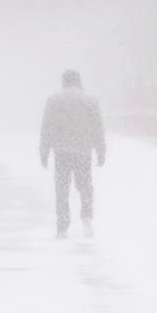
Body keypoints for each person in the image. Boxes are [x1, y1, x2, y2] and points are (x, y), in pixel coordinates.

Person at [39, 69, 106, 238]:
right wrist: (100, 150)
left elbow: (47, 126)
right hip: (83, 150)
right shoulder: (90, 101)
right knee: (85, 186)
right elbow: (97, 127)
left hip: (61, 151)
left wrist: (44, 150)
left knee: (62, 189)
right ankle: (87, 218)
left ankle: (62, 227)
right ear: (79, 81)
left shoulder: (53, 101)